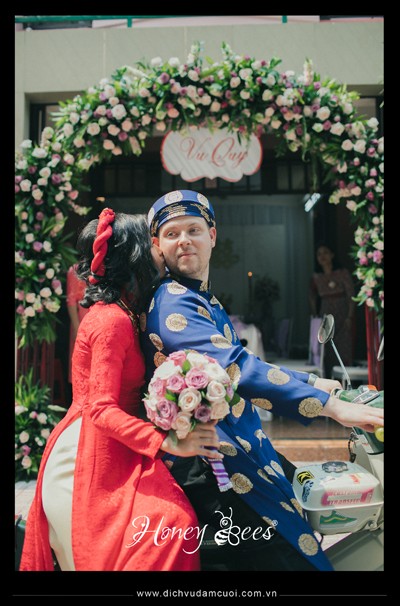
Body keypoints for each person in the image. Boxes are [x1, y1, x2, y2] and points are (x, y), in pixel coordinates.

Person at [140, 189, 383, 572]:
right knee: (289, 559)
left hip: (241, 444)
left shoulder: (199, 297)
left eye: (193, 230)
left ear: (212, 236)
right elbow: (236, 368)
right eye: (172, 234)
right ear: (157, 245)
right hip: (216, 462)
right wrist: (333, 408)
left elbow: (244, 360)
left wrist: (314, 382)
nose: (184, 240)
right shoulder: (173, 301)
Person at [19, 208, 222, 572]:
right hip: (90, 454)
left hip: (115, 445)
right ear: (138, 255)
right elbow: (100, 409)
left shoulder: (124, 311)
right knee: (170, 526)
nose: (161, 250)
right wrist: (168, 442)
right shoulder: (112, 320)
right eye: (153, 243)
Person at [309, 243, 356, 378]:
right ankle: (328, 381)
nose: (322, 256)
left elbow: (351, 295)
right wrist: (315, 315)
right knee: (327, 349)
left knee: (343, 348)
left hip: (342, 315)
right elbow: (311, 296)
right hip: (325, 314)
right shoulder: (316, 277)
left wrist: (349, 316)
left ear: (332, 255)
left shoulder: (342, 273)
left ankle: (346, 381)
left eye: (325, 252)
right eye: (319, 254)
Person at [66, 263, 89, 383]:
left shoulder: (103, 267)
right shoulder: (75, 270)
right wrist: (76, 328)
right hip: (81, 319)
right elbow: (71, 301)